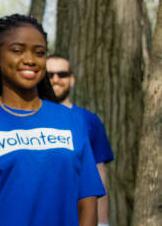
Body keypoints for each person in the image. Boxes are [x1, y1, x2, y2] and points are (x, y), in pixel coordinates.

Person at [0, 14, 105, 226]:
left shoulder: (71, 120)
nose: (30, 59)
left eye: (39, 53)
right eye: (17, 50)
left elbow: (87, 200)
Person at [47, 54, 114, 226]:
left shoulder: (89, 120)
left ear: (72, 79)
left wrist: (102, 222)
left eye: (62, 74)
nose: (55, 79)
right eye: (49, 75)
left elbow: (99, 173)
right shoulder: (28, 119)